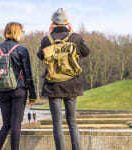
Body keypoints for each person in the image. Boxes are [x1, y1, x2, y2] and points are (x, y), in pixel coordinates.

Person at [37, 8, 90, 150]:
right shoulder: (75, 37)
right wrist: (73, 32)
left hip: (53, 84)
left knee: (57, 123)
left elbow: (41, 56)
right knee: (72, 121)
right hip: (72, 83)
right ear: (66, 22)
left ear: (53, 22)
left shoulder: (46, 39)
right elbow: (86, 52)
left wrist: (49, 34)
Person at [0, 22, 37, 150]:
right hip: (19, 90)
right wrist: (33, 95)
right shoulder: (22, 50)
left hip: (2, 90)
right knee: (16, 125)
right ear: (18, 32)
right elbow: (28, 74)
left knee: (6, 125)